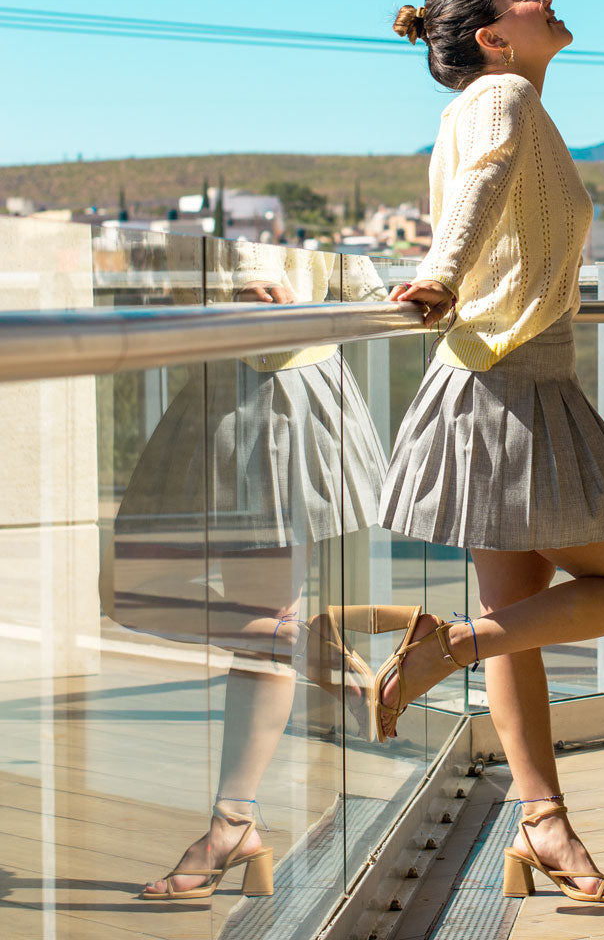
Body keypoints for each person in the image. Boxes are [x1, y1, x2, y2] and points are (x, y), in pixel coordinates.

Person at [378, 0, 604, 905]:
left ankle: (542, 824)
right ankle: (451, 647)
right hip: (509, 386)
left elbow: (490, 188)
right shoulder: (502, 96)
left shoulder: (491, 102)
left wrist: (448, 283)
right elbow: (484, 187)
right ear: (495, 39)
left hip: (504, 379)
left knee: (523, 626)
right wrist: (439, 276)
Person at [105, 244, 390, 899]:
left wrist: (271, 288)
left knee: (239, 622)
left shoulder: (284, 201)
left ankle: (232, 824)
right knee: (132, 589)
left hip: (274, 393)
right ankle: (303, 646)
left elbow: (362, 295)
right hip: (236, 390)